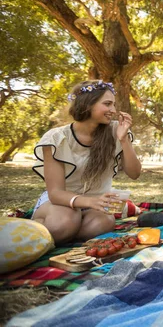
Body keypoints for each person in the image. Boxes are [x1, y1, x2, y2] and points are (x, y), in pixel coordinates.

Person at [32, 80, 141, 244]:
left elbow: (134, 173)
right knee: (64, 222)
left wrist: (124, 139)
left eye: (113, 104)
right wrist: (90, 202)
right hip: (61, 203)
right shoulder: (56, 138)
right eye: (107, 104)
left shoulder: (115, 131)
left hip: (95, 206)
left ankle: (65, 234)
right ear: (88, 104)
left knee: (104, 223)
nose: (113, 110)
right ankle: (45, 228)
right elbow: (55, 194)